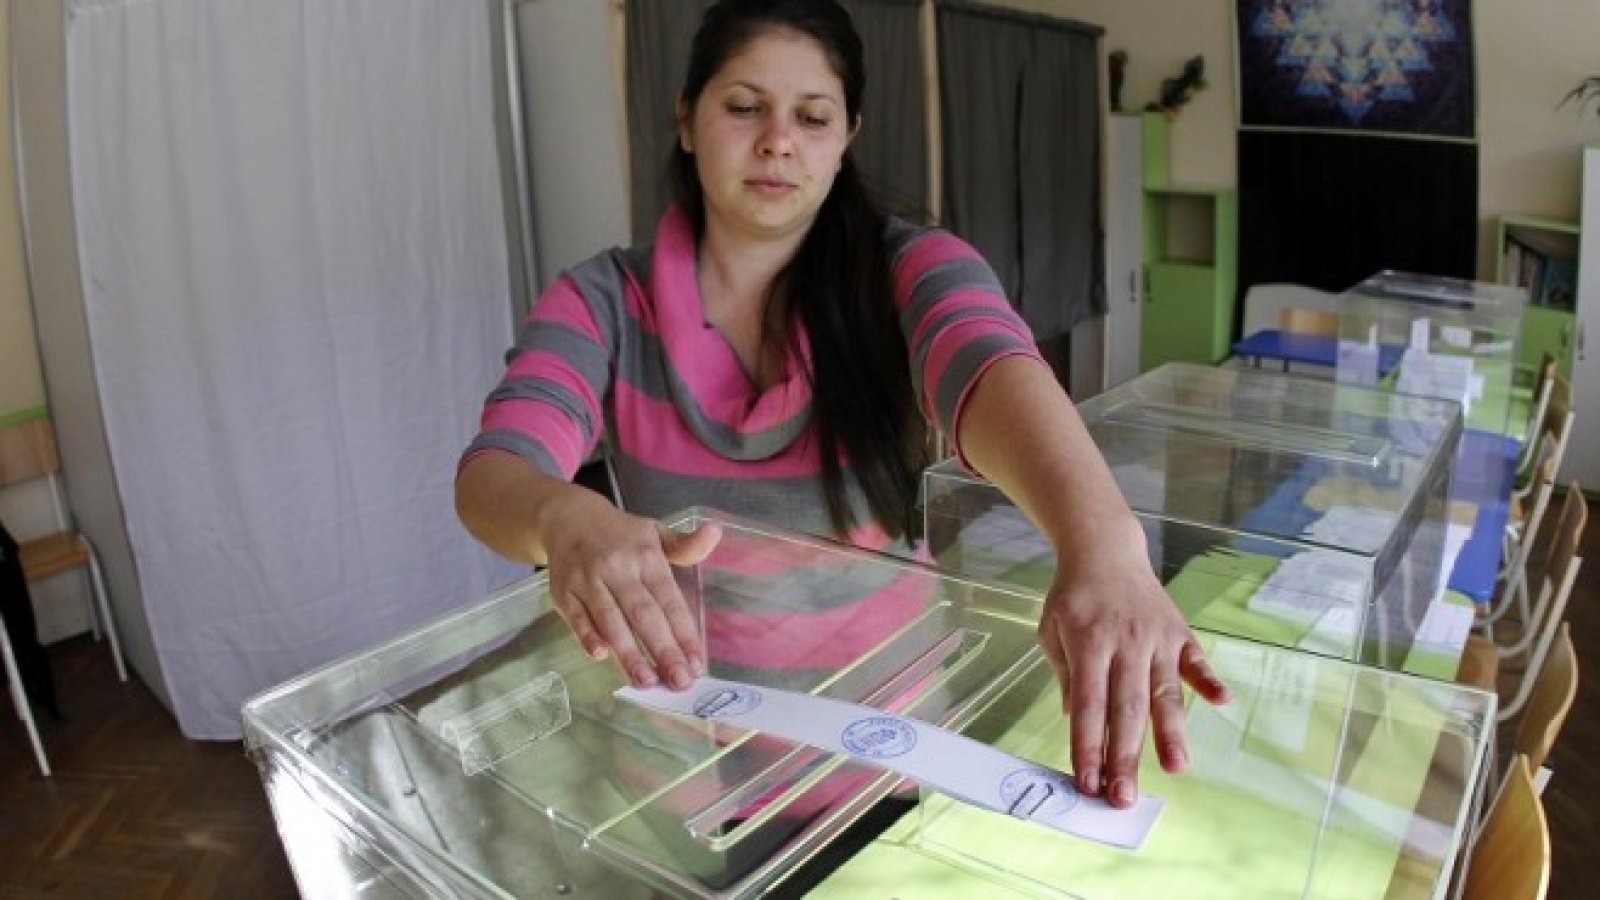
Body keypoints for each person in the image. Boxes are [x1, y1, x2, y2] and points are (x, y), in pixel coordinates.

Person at [456, 0, 1228, 810]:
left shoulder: (907, 269)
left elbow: (990, 364)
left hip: (883, 737)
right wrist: (563, 516)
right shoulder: (603, 301)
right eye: (744, 106)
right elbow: (496, 469)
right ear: (686, 119)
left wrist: (1103, 542)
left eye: (812, 117)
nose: (778, 141)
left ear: (847, 136)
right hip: (685, 750)